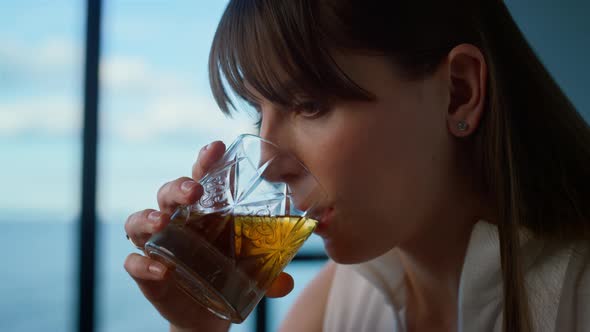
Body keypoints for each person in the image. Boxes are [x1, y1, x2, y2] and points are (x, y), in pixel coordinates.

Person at [123, 1, 590, 331]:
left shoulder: (577, 295)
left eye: (309, 104)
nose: (266, 159)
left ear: (459, 91)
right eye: (258, 111)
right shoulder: (344, 296)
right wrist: (197, 330)